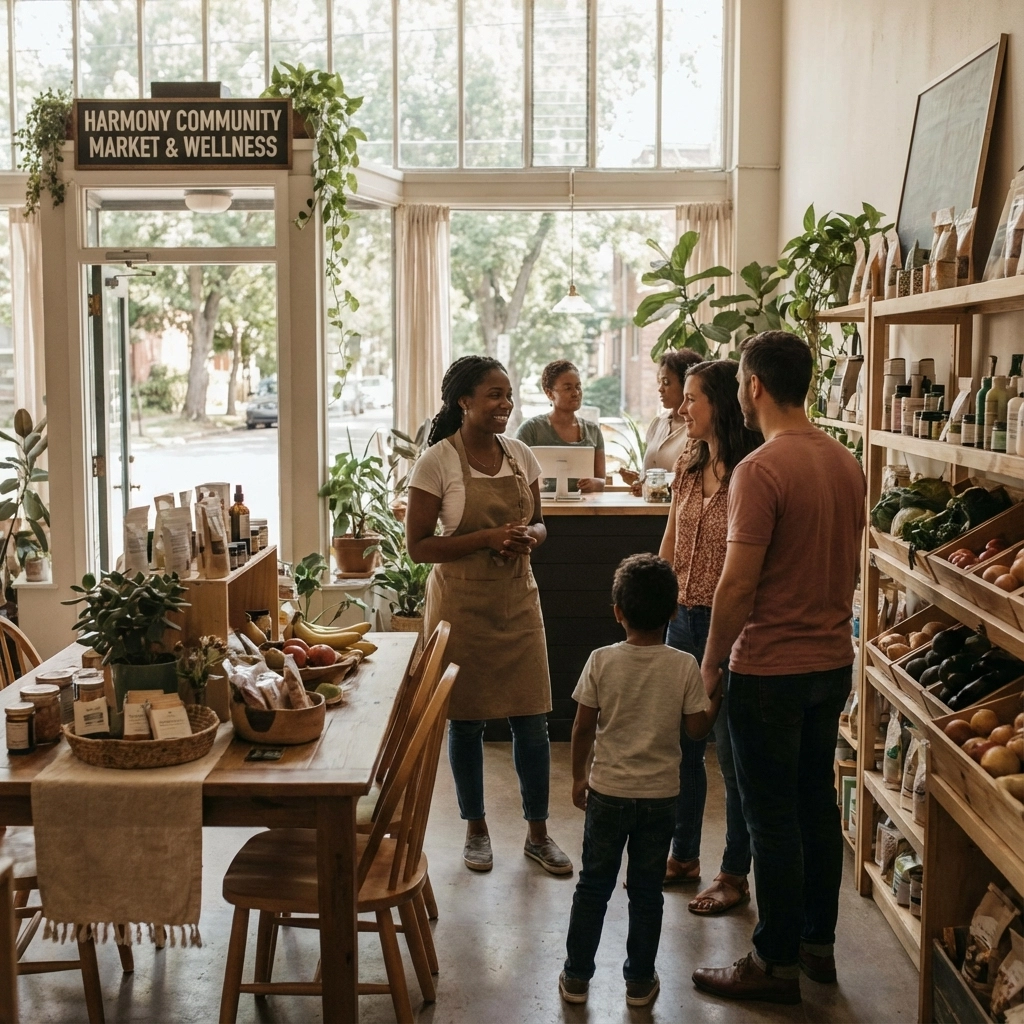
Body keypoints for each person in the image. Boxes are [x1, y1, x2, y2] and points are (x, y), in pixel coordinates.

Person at [691, 332, 866, 1006]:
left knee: (771, 819)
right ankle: (817, 948)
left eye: (740, 381)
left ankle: (773, 963)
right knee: (816, 808)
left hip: (769, 667)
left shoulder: (760, 470)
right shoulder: (844, 460)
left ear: (755, 386)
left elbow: (736, 587)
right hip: (830, 662)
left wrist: (710, 665)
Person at [406, 355, 573, 877]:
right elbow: (418, 547)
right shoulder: (437, 462)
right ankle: (476, 830)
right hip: (460, 608)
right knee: (467, 721)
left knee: (531, 720)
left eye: (508, 394)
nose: (506, 404)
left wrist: (528, 537)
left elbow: (542, 525)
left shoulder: (522, 455)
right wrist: (486, 538)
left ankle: (538, 834)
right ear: (464, 402)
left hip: (518, 601)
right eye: (494, 395)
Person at [559, 554, 721, 1008]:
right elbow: (695, 731)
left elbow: (582, 727)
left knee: (593, 886)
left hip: (607, 792)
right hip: (659, 798)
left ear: (618, 611)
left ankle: (576, 978)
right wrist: (716, 698)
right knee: (647, 893)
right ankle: (639, 982)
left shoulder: (601, 660)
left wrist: (577, 777)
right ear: (673, 612)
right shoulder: (684, 666)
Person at [659, 359, 762, 914]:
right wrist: (653, 604)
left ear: (720, 402)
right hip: (681, 619)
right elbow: (671, 538)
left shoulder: (753, 469)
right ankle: (683, 855)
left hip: (732, 628)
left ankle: (733, 872)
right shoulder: (689, 460)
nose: (682, 408)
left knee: (732, 753)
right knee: (685, 747)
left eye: (692, 397)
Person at [517, 360, 605, 492]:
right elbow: (517, 479)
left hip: (585, 507)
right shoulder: (531, 430)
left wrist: (595, 484)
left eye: (578, 386)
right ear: (550, 393)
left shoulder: (593, 431)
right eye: (568, 388)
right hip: (543, 509)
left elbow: (601, 480)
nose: (576, 393)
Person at [630, 349, 704, 495]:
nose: (660, 389)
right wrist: (639, 482)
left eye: (666, 382)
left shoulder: (699, 429)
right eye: (660, 382)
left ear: (686, 384)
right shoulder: (658, 423)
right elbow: (647, 477)